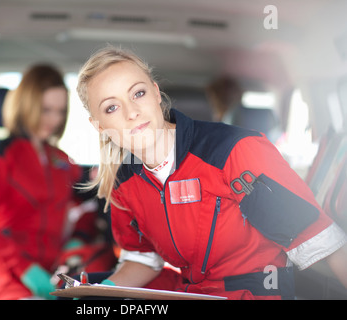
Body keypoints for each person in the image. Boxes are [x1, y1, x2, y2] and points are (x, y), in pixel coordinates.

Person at [75, 45, 347, 299]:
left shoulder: (233, 152)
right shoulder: (124, 184)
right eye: (112, 107)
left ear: (156, 93)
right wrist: (101, 291)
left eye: (138, 93)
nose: (131, 112)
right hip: (194, 292)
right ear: (98, 125)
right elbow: (141, 260)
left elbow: (319, 240)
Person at [0, 64, 90, 299]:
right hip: (3, 270)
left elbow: (85, 204)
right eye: (45, 110)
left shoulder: (61, 161)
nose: (54, 119)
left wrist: (77, 240)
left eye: (60, 111)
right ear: (26, 104)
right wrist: (24, 269)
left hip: (53, 270)